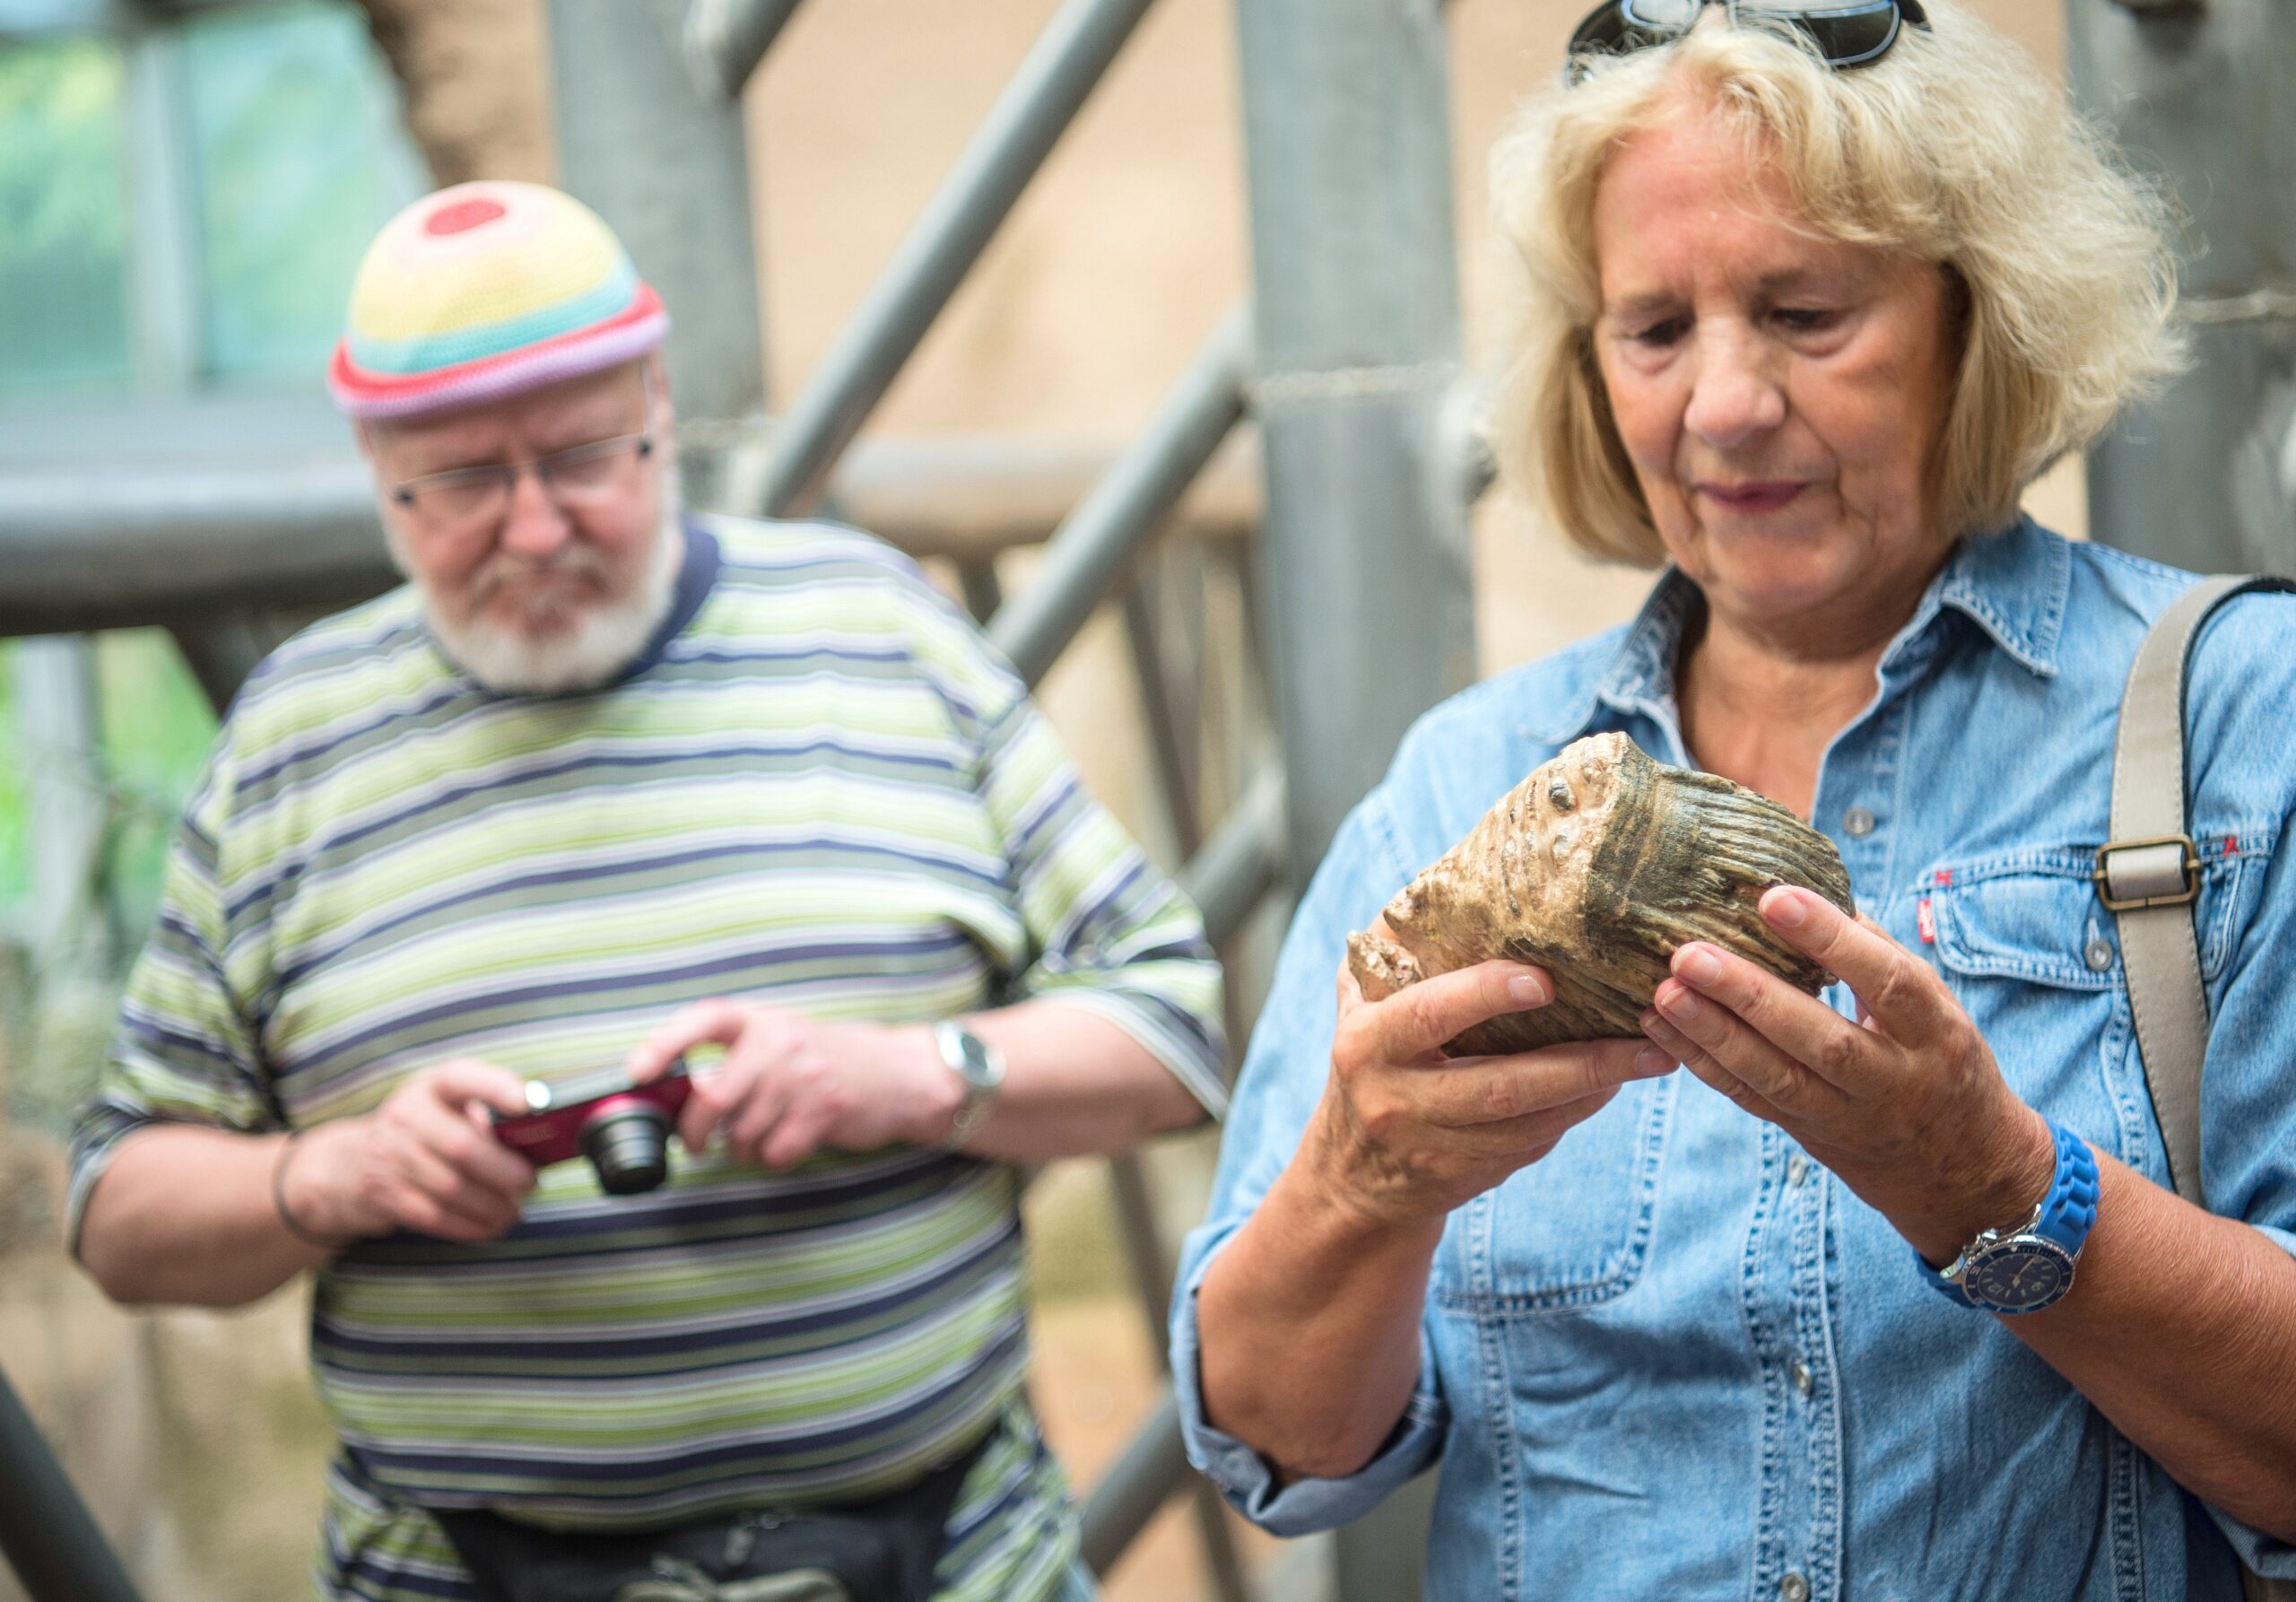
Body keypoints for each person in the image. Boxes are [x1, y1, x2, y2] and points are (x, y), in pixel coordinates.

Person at [1175, 4, 2296, 1598]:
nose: (1722, 404)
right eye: (1652, 330)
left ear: (1979, 318)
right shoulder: (1462, 783)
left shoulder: (2238, 723)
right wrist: (1361, 1182)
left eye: (1805, 310)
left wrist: (2000, 1191)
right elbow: (1282, 1446)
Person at [69, 179, 1224, 1602]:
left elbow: (1175, 1029)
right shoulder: (291, 739)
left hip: (947, 1555)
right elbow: (121, 1209)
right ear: (380, 471)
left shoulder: (879, 632)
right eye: (467, 484)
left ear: (660, 407)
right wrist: (334, 1175)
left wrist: (915, 1074)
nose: (539, 528)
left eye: (581, 458)